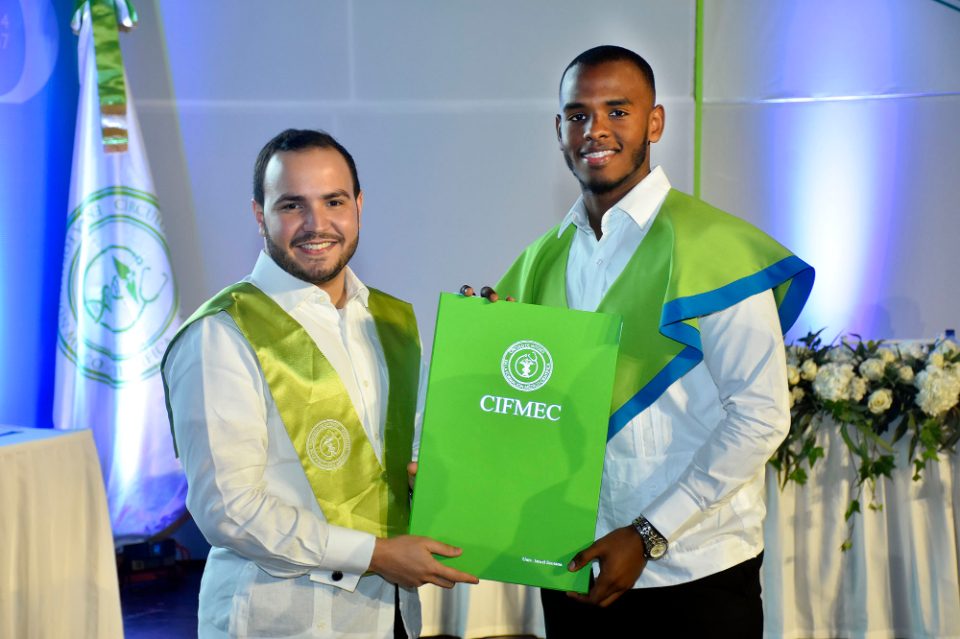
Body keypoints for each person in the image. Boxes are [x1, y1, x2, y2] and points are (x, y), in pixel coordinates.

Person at [491, 46, 814, 636]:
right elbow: (525, 407)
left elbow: (761, 415)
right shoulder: (540, 262)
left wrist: (647, 532)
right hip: (574, 565)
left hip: (696, 571)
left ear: (655, 122)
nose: (596, 130)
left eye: (618, 111)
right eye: (578, 115)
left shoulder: (714, 249)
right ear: (559, 130)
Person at [162, 128, 477, 639]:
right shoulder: (221, 333)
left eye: (334, 201)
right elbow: (228, 509)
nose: (316, 224)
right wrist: (374, 555)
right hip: (282, 621)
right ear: (259, 215)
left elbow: (399, 453)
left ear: (358, 205)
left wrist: (493, 352)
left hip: (395, 614)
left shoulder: (389, 320)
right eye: (292, 205)